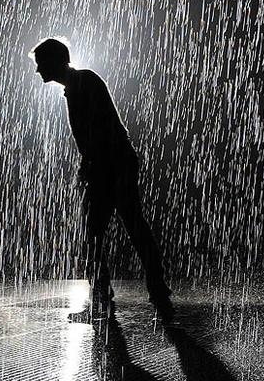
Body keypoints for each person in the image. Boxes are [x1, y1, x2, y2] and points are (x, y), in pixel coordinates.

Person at [30, 37, 174, 322]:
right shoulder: (78, 85)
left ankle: (110, 299)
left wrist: (92, 165)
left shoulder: (83, 83)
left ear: (54, 61)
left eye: (40, 64)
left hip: (112, 166)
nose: (37, 71)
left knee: (107, 233)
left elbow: (98, 131)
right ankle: (154, 295)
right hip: (112, 164)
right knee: (128, 229)